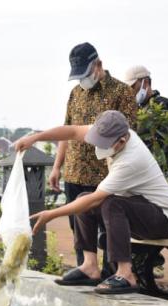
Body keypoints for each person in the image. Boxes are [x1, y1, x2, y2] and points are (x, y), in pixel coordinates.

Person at [14, 111, 168, 293]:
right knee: (83, 199)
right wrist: (35, 138)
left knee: (107, 203)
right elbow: (71, 132)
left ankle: (126, 274)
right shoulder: (112, 131)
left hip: (164, 219)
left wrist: (51, 214)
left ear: (122, 142)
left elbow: (95, 199)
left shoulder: (131, 160)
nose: (99, 147)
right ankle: (89, 267)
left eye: (104, 144)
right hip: (140, 210)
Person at [51, 43, 137, 272]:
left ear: (98, 65)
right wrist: (57, 166)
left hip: (105, 174)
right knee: (79, 227)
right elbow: (67, 131)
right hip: (75, 172)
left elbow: (129, 135)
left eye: (86, 74)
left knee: (111, 227)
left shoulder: (121, 92)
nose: (83, 80)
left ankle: (113, 274)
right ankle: (86, 270)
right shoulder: (76, 93)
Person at [123, 65, 168, 279]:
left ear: (145, 82)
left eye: (133, 87)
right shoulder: (132, 110)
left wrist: (161, 172)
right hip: (133, 174)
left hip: (153, 175)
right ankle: (138, 265)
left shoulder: (164, 106)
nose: (130, 92)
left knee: (152, 216)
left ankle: (155, 262)